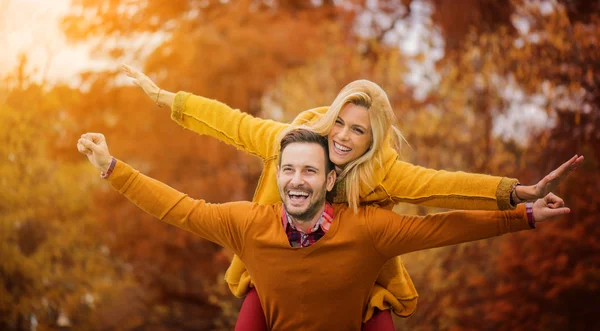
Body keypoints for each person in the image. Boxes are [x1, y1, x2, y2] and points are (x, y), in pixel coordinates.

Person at [122, 64, 584, 329]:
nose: (342, 136)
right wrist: (166, 98)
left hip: (356, 282)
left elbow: (447, 187)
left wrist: (514, 195)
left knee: (375, 314)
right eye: (340, 122)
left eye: (357, 131)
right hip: (278, 264)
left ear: (371, 139)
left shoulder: (383, 176)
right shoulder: (295, 142)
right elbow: (230, 123)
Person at [78, 129, 570, 331]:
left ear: (330, 179)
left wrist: (523, 214)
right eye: (288, 170)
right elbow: (178, 208)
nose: (296, 180)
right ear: (277, 176)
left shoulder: (369, 230)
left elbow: (445, 226)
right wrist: (110, 166)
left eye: (310, 171)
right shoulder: (249, 226)